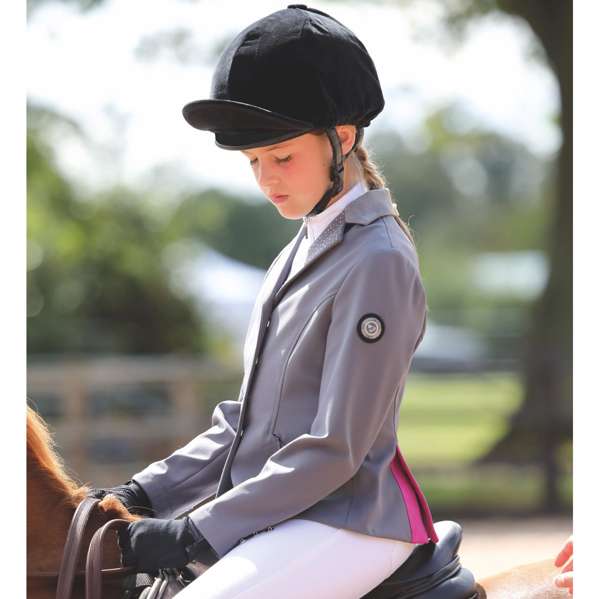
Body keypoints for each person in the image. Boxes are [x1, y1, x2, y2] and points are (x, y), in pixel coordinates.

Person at [90, 5, 439, 597]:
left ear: (343, 139)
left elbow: (337, 449)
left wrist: (195, 530)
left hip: (348, 518)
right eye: (253, 162)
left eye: (282, 157)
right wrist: (144, 493)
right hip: (281, 514)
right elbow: (247, 421)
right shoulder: (292, 256)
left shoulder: (377, 258)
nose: (266, 180)